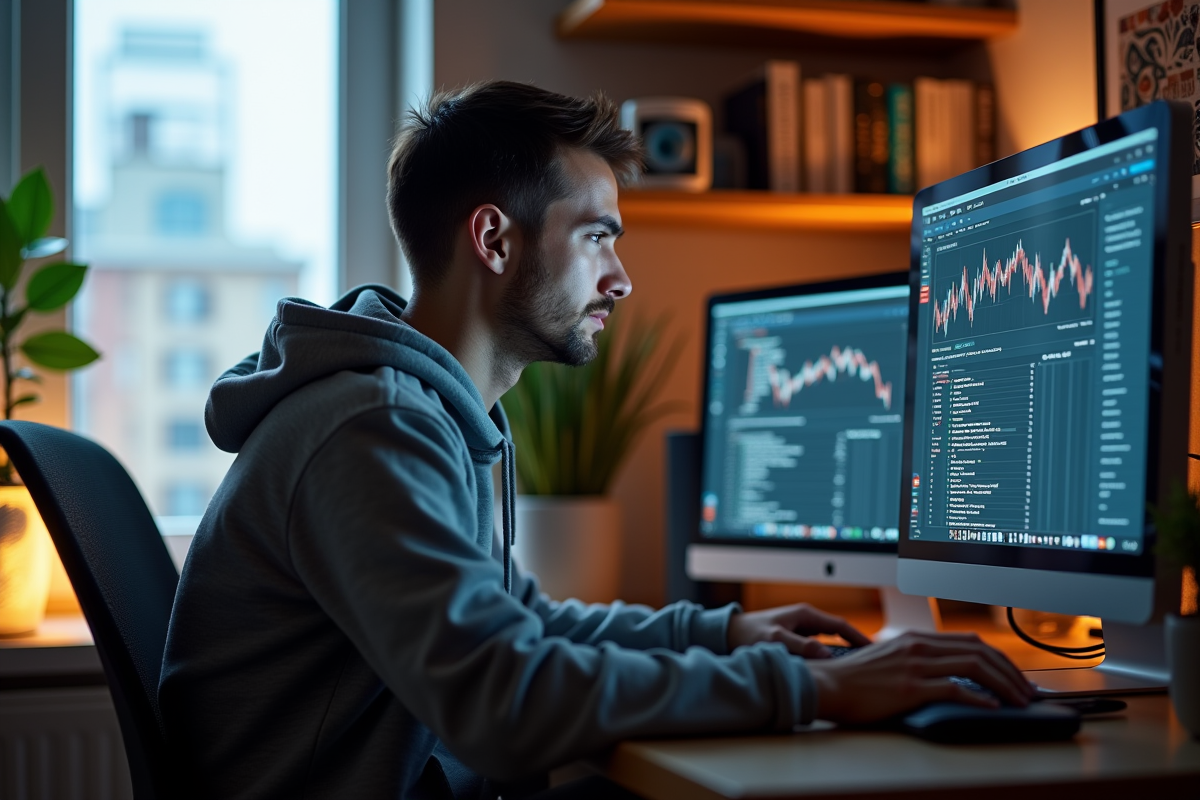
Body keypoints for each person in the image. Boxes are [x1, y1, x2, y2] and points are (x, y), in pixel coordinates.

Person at [159, 81, 1035, 800]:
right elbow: (501, 698)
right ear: (494, 238)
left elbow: (518, 625)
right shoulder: (372, 425)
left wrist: (724, 635)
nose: (620, 278)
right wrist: (814, 687)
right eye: (597, 237)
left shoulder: (418, 411)